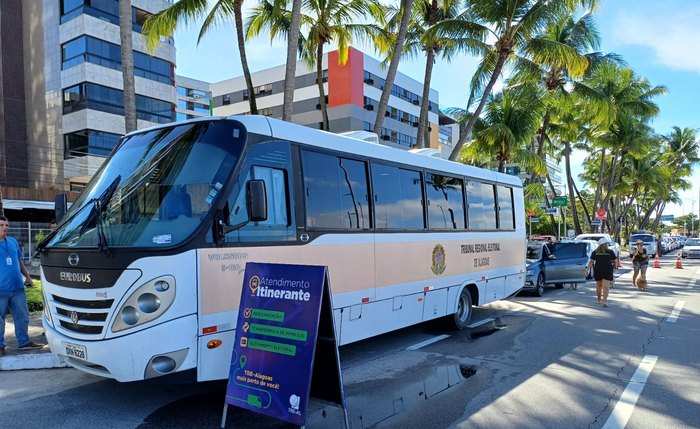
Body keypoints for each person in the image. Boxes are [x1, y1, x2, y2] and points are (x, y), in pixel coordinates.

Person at [0, 215, 43, 357]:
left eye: (6, 225)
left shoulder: (12, 241)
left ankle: (24, 342)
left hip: (17, 287)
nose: (5, 227)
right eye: (1, 225)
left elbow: (19, 261)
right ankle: (0, 346)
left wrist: (29, 277)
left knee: (22, 316)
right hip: (1, 290)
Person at [585, 237, 618, 307]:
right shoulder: (610, 252)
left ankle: (598, 300)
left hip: (598, 270)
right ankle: (605, 301)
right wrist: (615, 267)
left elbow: (591, 261)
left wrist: (587, 270)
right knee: (606, 287)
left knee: (598, 286)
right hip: (607, 270)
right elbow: (615, 260)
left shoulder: (595, 252)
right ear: (606, 244)